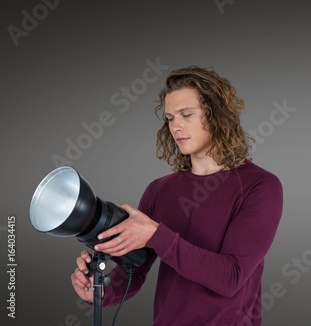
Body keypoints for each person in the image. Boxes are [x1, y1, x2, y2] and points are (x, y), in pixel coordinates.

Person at [69, 66, 284, 325]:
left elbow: (231, 278)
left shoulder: (260, 185)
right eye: (170, 118)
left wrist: (157, 234)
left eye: (186, 114)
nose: (176, 127)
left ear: (216, 116)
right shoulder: (160, 190)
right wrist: (100, 291)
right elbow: (133, 271)